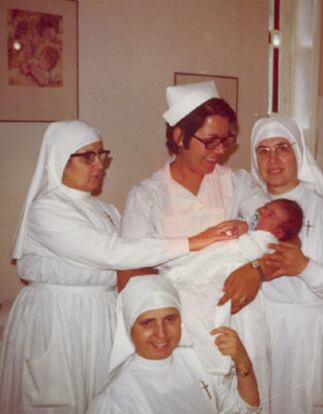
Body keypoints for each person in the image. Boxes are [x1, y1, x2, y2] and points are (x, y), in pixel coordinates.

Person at [0, 120, 238, 414]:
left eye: (102, 154)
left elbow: (135, 261)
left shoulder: (106, 211)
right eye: (88, 156)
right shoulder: (46, 210)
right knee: (55, 401)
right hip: (58, 319)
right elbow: (113, 254)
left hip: (100, 317)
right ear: (60, 158)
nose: (99, 164)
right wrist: (193, 241)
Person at [120, 80, 271, 410]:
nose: (221, 150)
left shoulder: (238, 183)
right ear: (179, 137)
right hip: (181, 328)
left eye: (227, 139)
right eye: (210, 140)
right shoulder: (147, 195)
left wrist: (256, 269)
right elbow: (129, 276)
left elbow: (279, 232)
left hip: (241, 319)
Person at [250, 116, 323, 414]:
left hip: (317, 336)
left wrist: (304, 266)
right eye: (263, 150)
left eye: (282, 148)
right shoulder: (248, 211)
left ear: (298, 154)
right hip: (268, 333)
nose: (272, 159)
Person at [160, 199, 302, 377]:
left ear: (278, 232)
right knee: (189, 283)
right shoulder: (252, 229)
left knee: (202, 300)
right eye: (265, 208)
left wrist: (243, 234)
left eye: (270, 214)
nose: (263, 212)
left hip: (231, 275)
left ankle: (214, 356)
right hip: (218, 263)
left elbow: (252, 253)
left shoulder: (267, 241)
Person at [87, 275, 261, 414]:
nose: (161, 333)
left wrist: (242, 362)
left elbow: (244, 410)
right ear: (129, 327)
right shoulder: (116, 400)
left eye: (170, 319)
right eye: (148, 323)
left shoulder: (198, 362)